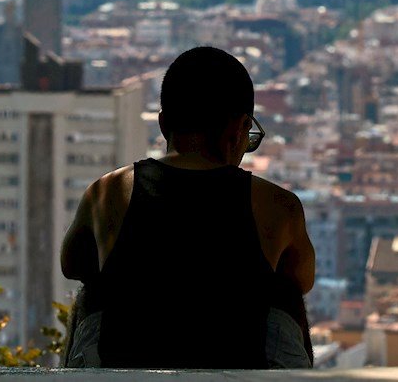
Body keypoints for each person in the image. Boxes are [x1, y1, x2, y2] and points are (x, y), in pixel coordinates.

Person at [60, 46, 315, 368]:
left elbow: (73, 266)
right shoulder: (278, 206)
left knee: (95, 288)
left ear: (164, 124)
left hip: (126, 377)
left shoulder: (108, 192)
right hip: (240, 375)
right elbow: (303, 281)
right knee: (286, 293)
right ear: (238, 130)